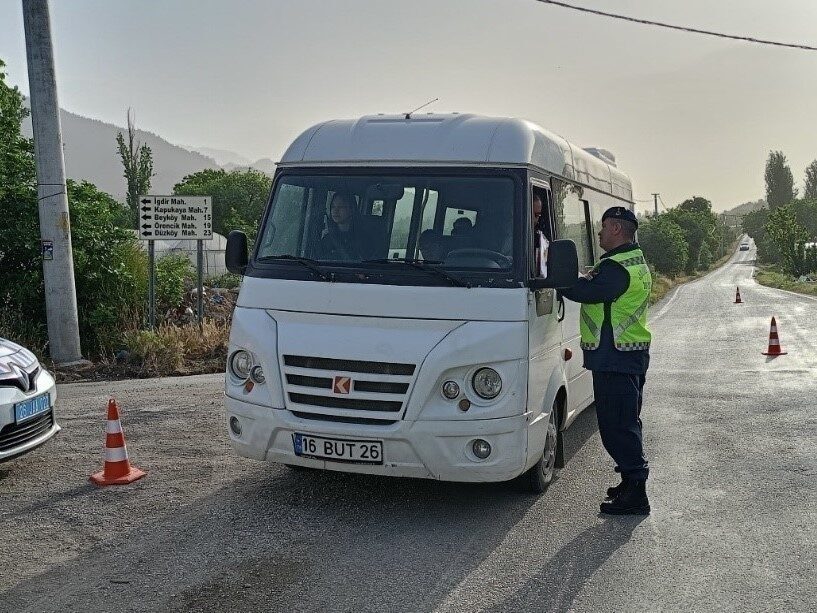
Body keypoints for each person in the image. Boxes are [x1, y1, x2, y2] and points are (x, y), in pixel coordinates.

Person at [559, 206, 652, 515]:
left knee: (618, 426)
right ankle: (629, 482)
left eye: (602, 227)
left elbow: (584, 292)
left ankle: (636, 492)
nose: (597, 233)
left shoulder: (616, 267)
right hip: (626, 354)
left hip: (615, 357)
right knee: (625, 421)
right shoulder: (632, 260)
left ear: (615, 229)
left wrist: (558, 278)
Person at [317, 192, 363, 260]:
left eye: (341, 206)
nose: (335, 211)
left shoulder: (362, 238)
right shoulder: (327, 239)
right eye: (333, 207)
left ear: (352, 209)